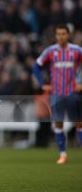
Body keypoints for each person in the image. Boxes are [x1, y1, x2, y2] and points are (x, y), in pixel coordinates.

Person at [33, 24, 82, 164]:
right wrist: (42, 83)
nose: (61, 37)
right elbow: (36, 67)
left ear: (68, 35)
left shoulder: (77, 50)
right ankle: (63, 155)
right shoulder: (50, 51)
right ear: (55, 36)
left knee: (79, 124)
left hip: (73, 93)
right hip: (57, 94)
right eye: (59, 34)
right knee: (58, 124)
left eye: (64, 34)